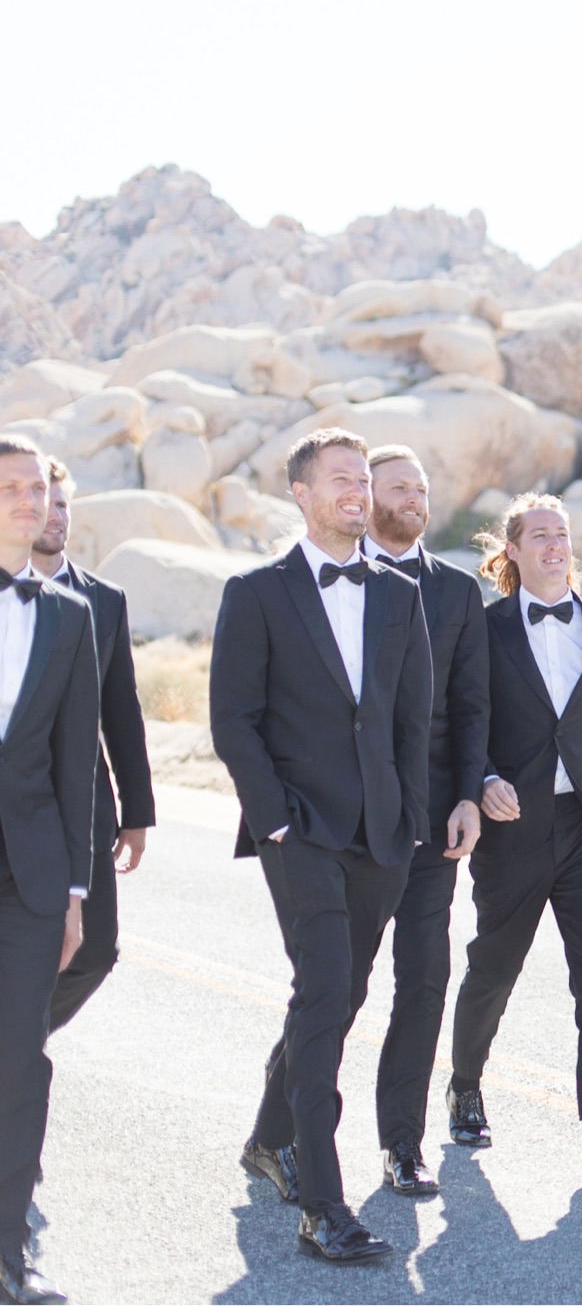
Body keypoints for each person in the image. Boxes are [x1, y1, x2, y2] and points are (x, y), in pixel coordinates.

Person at [210, 428, 433, 1263]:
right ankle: (322, 1201)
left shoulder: (400, 592)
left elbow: (414, 716)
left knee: (337, 999)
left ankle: (269, 1137)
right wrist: (271, 817)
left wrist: (411, 815)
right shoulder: (256, 591)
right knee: (327, 986)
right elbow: (234, 717)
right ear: (300, 493)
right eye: (339, 477)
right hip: (296, 827)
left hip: (381, 831)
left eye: (361, 477)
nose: (355, 488)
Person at [446, 494, 582, 1184]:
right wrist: (481, 778)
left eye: (561, 533)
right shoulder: (483, 628)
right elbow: (462, 719)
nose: (554, 544)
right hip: (514, 830)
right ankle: (466, 1084)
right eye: (538, 535)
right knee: (493, 971)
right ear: (512, 550)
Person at [363, 446, 490, 1197]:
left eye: (422, 487)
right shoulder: (339, 580)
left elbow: (474, 703)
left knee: (424, 978)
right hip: (351, 821)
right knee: (336, 986)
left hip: (435, 820)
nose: (414, 497)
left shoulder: (456, 591)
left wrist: (469, 794)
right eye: (398, 486)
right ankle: (277, 1130)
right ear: (367, 495)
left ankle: (401, 1143)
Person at [0, 435, 99, 1306]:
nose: (33, 499)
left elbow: (75, 764)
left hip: (30, 879)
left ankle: (8, 1254)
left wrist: (75, 891)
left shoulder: (71, 616)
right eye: (13, 487)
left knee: (19, 1060)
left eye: (39, 487)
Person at [33, 458, 155, 1035]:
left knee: (94, 950)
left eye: (61, 503)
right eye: (41, 502)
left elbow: (122, 711)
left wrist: (136, 815)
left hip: (86, 810)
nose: (53, 515)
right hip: (16, 802)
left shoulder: (105, 600)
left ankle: (19, 1043)